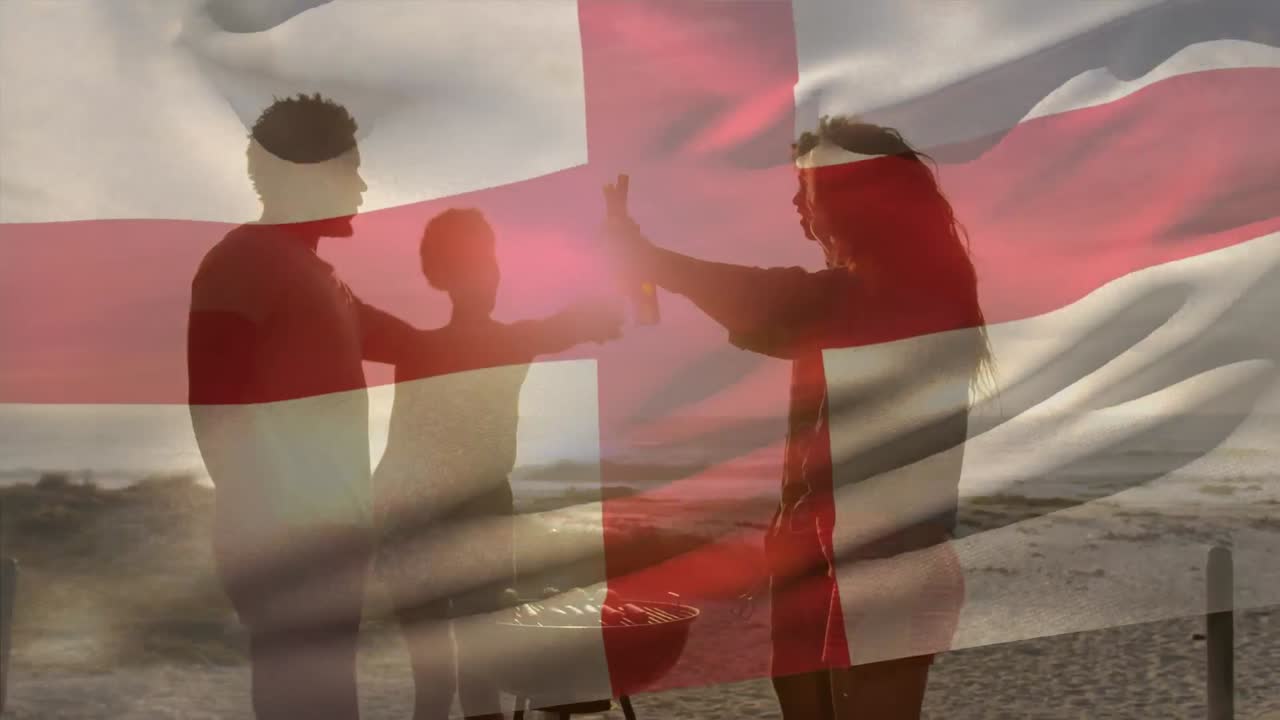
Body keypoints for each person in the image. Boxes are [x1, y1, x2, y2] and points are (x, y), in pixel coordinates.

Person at [603, 116, 992, 720]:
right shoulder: (892, 290)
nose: (793, 201)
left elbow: (776, 301)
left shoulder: (900, 297)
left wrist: (650, 258)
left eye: (806, 186)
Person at [187, 93, 418, 720]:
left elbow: (416, 346)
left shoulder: (320, 279)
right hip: (287, 540)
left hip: (331, 533)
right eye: (350, 169)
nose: (364, 186)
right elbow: (213, 403)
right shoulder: (243, 263)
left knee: (328, 700)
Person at [373, 208, 622, 720]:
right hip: (432, 516)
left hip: (428, 514)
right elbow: (588, 321)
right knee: (455, 676)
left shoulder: (422, 348)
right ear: (444, 276)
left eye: (490, 263)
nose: (489, 276)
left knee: (450, 678)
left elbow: (585, 322)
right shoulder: (488, 343)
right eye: (477, 264)